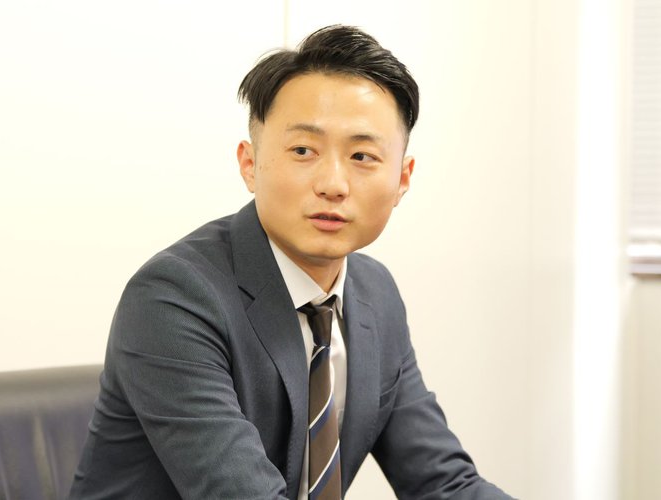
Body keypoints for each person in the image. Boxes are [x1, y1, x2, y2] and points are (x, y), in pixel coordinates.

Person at [69, 25, 513, 500]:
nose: (333, 184)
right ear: (250, 164)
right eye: (304, 150)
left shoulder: (375, 294)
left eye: (362, 155)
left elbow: (445, 482)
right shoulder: (173, 297)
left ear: (402, 179)